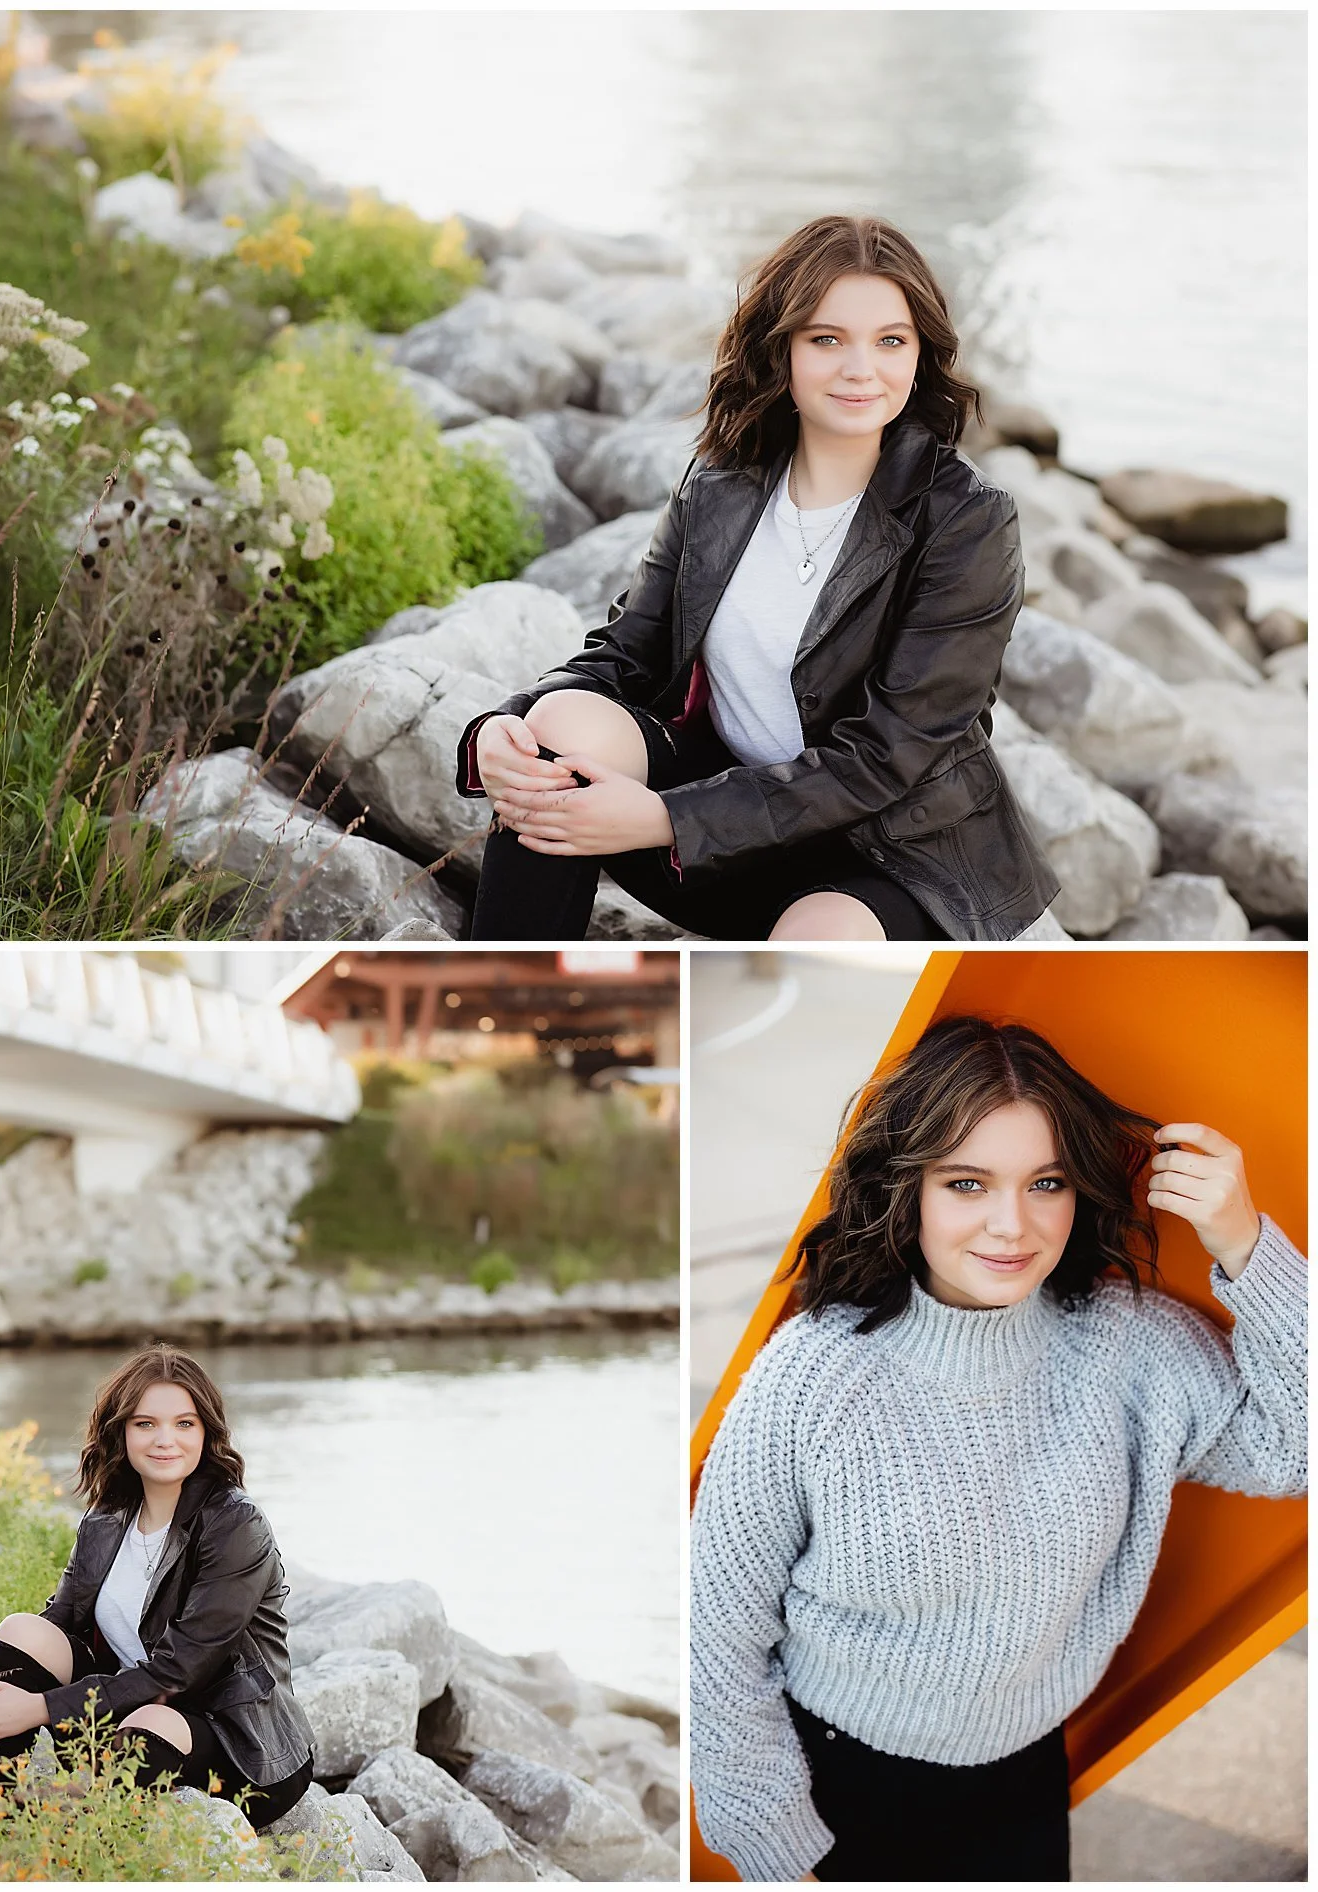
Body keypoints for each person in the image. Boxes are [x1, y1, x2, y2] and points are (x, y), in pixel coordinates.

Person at [689, 1017, 1307, 1882]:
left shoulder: (1128, 1351)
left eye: (1045, 1182)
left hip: (1021, 1787)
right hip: (835, 1794)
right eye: (968, 1183)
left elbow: (1302, 1448)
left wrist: (1247, 1245)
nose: (1011, 1226)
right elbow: (714, 1632)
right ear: (910, 1188)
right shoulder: (814, 1377)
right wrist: (776, 1843)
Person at [460, 214, 1059, 942]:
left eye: (890, 341)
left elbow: (886, 757)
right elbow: (622, 658)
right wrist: (501, 728)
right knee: (556, 732)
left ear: (920, 354)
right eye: (827, 339)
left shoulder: (967, 522)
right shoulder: (721, 486)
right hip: (726, 840)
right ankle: (506, 990)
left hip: (889, 859)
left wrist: (662, 817)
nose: (861, 368)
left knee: (820, 941)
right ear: (781, 349)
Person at [0, 1346, 316, 1828]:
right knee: (22, 1630)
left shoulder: (235, 1524)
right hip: (121, 1710)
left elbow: (178, 1673)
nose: (165, 1440)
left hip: (236, 1742)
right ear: (120, 1430)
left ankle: (87, 1848)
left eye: (184, 1424)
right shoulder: (109, 1516)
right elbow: (59, 1622)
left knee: (148, 1726)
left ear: (207, 1431)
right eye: (145, 1424)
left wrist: (36, 1709)